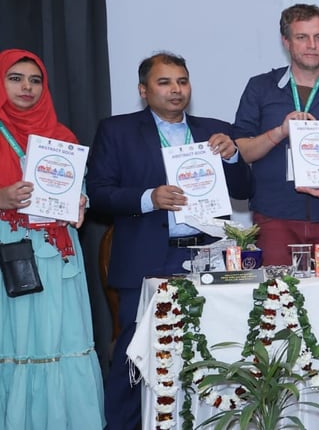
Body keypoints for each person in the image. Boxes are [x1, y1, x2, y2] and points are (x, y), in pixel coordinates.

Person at [88, 52, 253, 430]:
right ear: (143, 90)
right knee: (135, 358)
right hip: (146, 260)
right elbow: (98, 194)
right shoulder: (117, 130)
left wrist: (232, 158)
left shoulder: (215, 130)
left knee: (211, 349)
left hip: (206, 256)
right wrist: (149, 198)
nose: (176, 90)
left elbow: (245, 189)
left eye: (182, 81)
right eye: (164, 82)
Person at [0, 49, 103, 429]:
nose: (26, 87)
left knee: (64, 337)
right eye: (15, 78)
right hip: (9, 250)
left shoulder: (61, 137)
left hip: (58, 252)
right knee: (17, 339)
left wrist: (81, 202)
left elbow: (78, 189)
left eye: (35, 80)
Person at [233, 4, 319, 265]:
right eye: (302, 37)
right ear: (286, 41)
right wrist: (279, 132)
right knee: (276, 289)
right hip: (274, 216)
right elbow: (243, 151)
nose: (312, 45)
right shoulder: (260, 87)